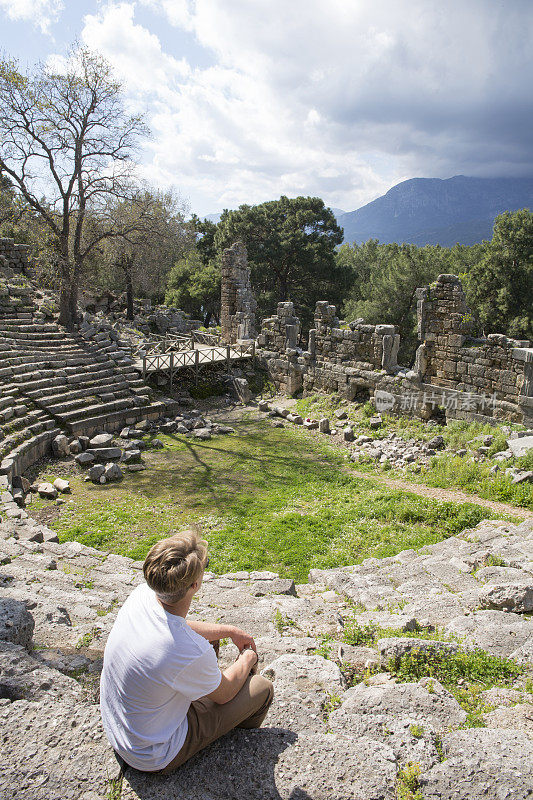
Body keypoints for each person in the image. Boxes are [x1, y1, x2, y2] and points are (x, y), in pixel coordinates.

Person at [99, 528, 274, 774]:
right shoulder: (184, 650)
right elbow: (224, 694)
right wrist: (247, 658)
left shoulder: (141, 595)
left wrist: (227, 630)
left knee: (210, 642)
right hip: (152, 753)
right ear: (194, 585)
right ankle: (238, 739)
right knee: (261, 688)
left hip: (121, 723)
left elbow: (177, 628)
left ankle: (204, 697)